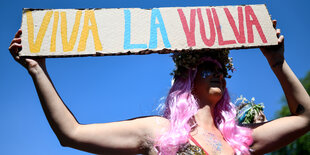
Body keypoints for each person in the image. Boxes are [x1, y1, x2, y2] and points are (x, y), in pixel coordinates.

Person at [9, 20, 310, 155]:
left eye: (220, 70)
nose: (216, 73)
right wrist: (37, 69)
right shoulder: (159, 132)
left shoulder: (242, 142)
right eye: (207, 68)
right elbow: (71, 134)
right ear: (188, 82)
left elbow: (305, 117)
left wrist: (277, 62)